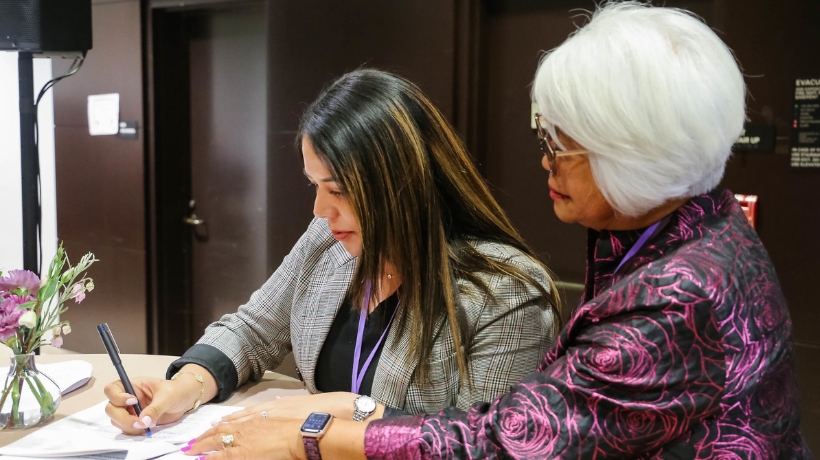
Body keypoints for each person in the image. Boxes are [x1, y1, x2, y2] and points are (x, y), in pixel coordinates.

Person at [184, 3, 810, 459]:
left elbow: (507, 440)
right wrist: (190, 379)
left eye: (561, 143)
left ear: (634, 155)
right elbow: (253, 326)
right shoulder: (685, 230)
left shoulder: (675, 294)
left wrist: (318, 432)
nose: (546, 158)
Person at [104, 69, 561, 435]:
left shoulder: (506, 294)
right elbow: (252, 330)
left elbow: (480, 443)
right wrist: (186, 386)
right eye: (315, 186)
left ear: (404, 185)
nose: (321, 210)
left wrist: (343, 415)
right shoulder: (329, 243)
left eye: (338, 190)